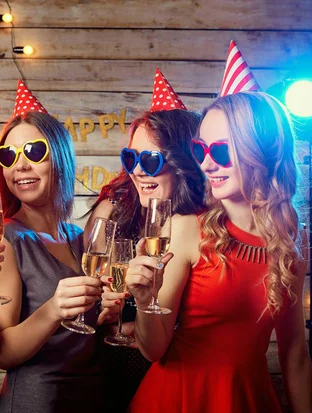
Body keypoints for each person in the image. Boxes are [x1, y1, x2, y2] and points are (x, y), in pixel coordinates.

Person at [126, 48, 312, 412]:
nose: (208, 163)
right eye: (201, 149)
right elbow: (154, 350)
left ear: (262, 150)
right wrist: (145, 300)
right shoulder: (186, 230)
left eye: (222, 151)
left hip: (248, 399)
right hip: (178, 398)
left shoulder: (292, 240)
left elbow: (295, 353)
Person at [86, 69, 205, 412]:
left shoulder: (204, 224)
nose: (137, 171)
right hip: (111, 369)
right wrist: (103, 306)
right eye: (130, 158)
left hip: (177, 379)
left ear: (184, 162)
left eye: (151, 160)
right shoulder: (115, 213)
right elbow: (91, 306)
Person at [0, 81, 103, 413]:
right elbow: (2, 353)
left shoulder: (81, 238)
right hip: (36, 404)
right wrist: (53, 310)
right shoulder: (5, 241)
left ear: (60, 157)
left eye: (35, 152)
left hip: (91, 399)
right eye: (9, 156)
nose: (20, 165)